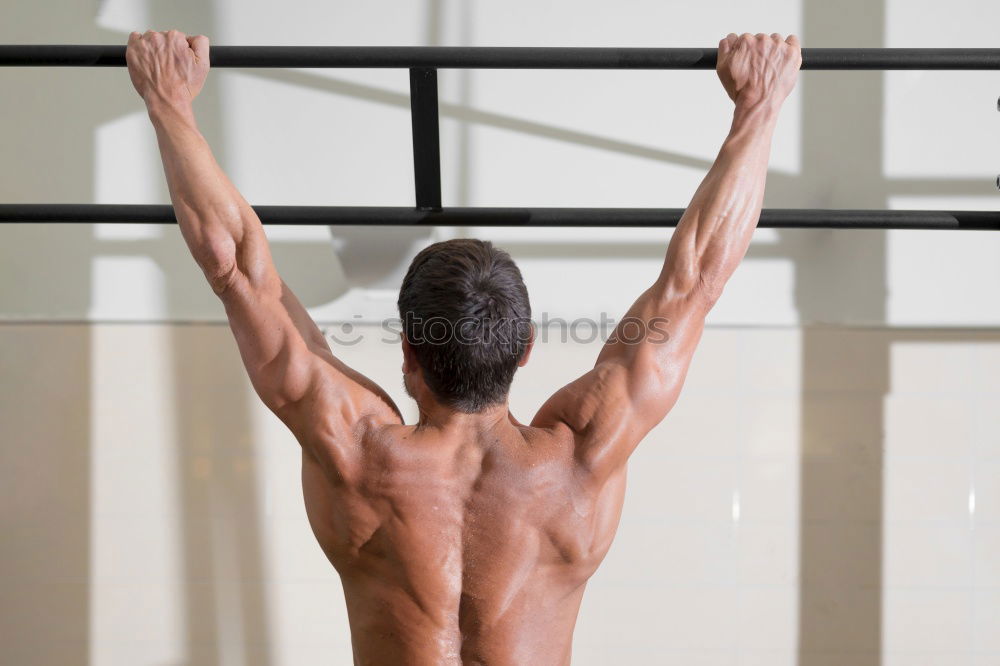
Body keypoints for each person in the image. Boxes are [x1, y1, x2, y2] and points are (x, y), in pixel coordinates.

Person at [126, 29, 801, 664]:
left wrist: (168, 103)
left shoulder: (354, 450)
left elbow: (235, 266)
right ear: (527, 347)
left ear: (408, 355)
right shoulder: (582, 459)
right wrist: (759, 109)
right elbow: (698, 278)